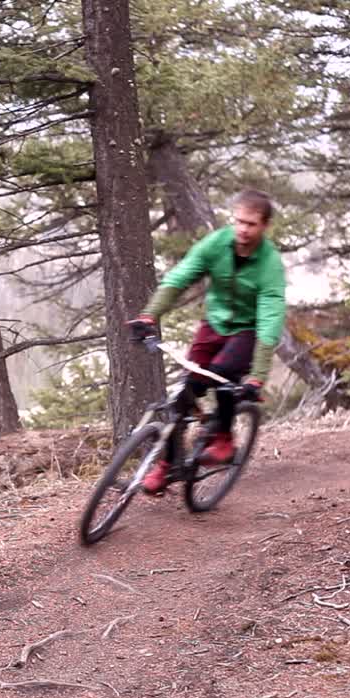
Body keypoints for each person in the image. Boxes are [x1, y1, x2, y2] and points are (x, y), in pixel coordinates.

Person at [127, 188, 287, 494]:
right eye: (238, 221)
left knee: (224, 373)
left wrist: (258, 376)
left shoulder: (269, 264)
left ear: (264, 226)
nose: (242, 229)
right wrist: (149, 316)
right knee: (184, 393)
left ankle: (224, 437)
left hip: (247, 329)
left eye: (251, 224)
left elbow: (270, 318)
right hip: (213, 324)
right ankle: (167, 464)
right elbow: (180, 277)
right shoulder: (217, 244)